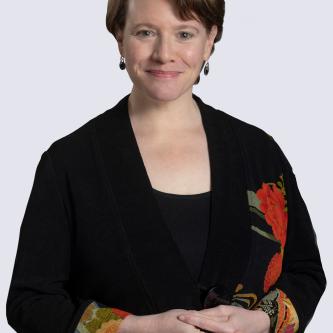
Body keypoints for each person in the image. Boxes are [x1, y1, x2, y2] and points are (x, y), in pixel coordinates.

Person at [6, 0, 326, 333]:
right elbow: (29, 302)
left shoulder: (259, 152)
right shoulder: (68, 163)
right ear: (120, 37)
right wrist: (136, 328)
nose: (164, 53)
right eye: (146, 32)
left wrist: (260, 320)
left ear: (209, 40)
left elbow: (304, 273)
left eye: (184, 34)